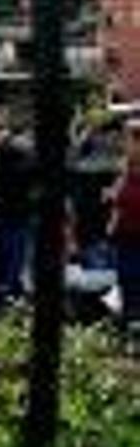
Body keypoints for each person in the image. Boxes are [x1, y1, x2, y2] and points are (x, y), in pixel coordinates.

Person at [0, 111, 36, 310]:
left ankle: (7, 312)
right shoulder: (13, 148)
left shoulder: (14, 150)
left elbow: (15, 189)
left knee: (7, 276)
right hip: (11, 219)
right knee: (6, 274)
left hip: (12, 221)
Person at [108, 117, 140, 355]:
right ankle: (129, 345)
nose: (124, 143)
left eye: (128, 139)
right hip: (125, 238)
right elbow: (119, 202)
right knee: (128, 290)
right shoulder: (126, 168)